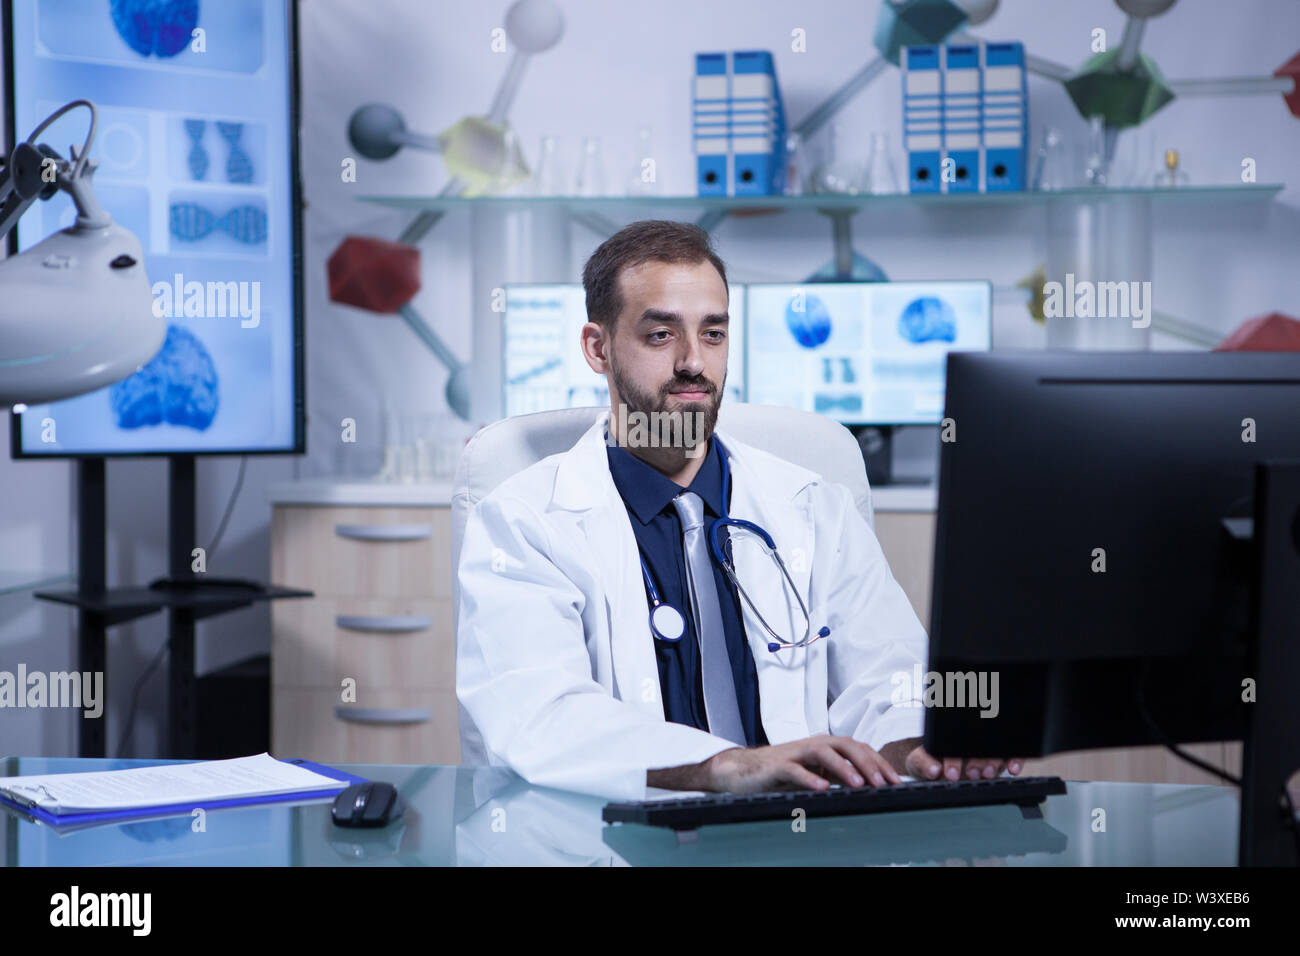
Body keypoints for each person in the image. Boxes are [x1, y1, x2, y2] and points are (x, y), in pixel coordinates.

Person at [456, 219, 1022, 800]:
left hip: (796, 837)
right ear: (598, 349)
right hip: (618, 842)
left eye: (713, 334)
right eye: (660, 335)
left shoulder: (812, 507)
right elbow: (540, 717)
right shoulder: (523, 523)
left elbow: (889, 677)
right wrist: (723, 765)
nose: (693, 362)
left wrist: (916, 745)